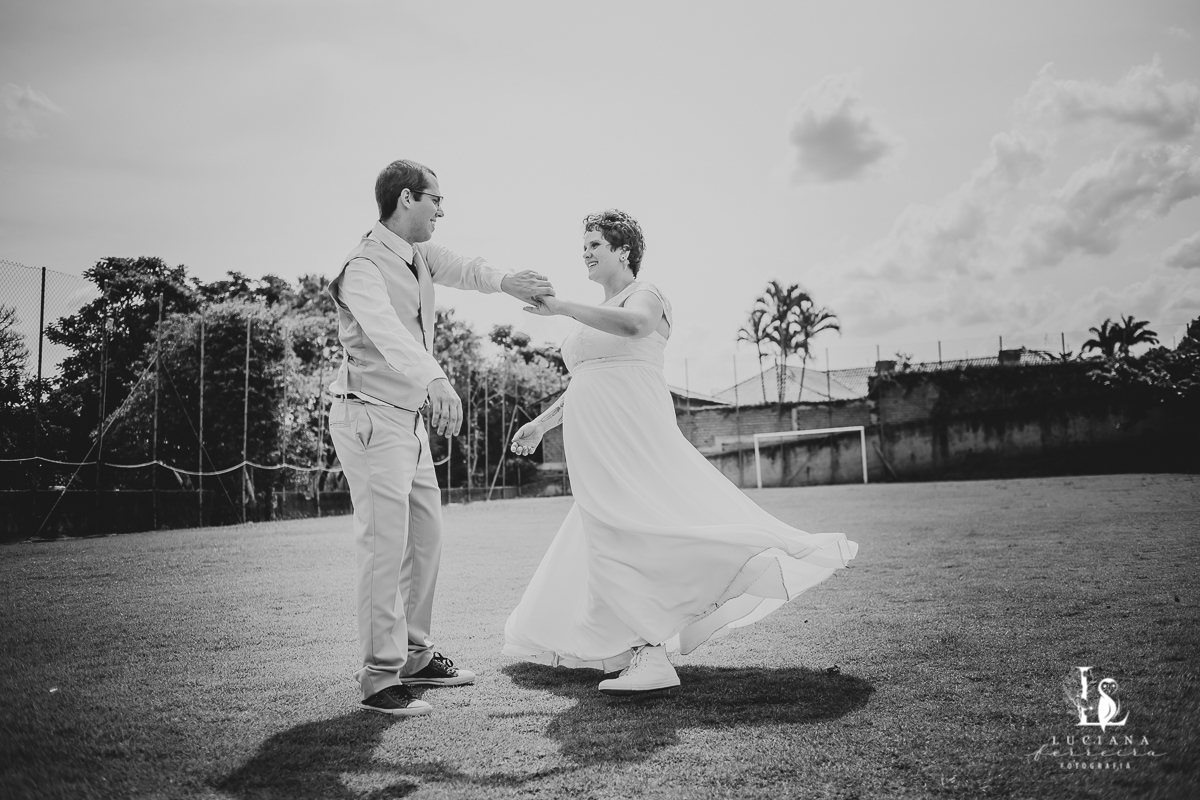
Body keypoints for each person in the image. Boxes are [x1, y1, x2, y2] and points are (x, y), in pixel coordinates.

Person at [503, 209, 857, 696]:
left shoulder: (645, 295)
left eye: (595, 245)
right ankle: (625, 648)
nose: (584, 253)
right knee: (605, 534)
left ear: (623, 250)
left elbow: (635, 328)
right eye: (582, 246)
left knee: (633, 530)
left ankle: (651, 654)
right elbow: (585, 378)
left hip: (632, 440)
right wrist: (541, 424)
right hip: (595, 448)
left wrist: (562, 307)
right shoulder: (592, 316)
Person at [328, 159, 554, 716]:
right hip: (370, 416)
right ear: (407, 198)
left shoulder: (420, 256)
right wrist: (436, 379)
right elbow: (386, 333)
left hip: (407, 422)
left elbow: (468, 268)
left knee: (425, 538)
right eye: (435, 201)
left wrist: (508, 282)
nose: (441, 212)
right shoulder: (361, 267)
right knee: (385, 546)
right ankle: (380, 679)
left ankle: (414, 654)